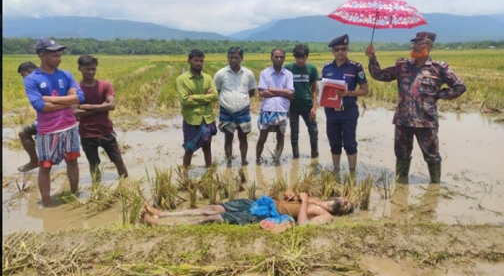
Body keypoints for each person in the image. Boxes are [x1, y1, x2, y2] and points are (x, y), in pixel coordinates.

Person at [365, 32, 466, 183]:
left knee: (432, 155)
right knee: (401, 154)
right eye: (414, 44)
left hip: (426, 121)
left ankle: (435, 186)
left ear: (429, 47)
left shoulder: (439, 68)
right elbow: (379, 75)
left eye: (420, 44)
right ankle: (401, 185)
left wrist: (438, 95)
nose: (416, 46)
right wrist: (372, 57)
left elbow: (459, 87)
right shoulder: (403, 66)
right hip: (403, 120)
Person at [23, 37, 85, 206]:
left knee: (72, 161)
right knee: (45, 166)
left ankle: (74, 194)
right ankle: (47, 202)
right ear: (42, 55)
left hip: (69, 126)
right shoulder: (31, 79)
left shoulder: (66, 74)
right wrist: (68, 100)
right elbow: (40, 106)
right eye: (55, 55)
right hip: (48, 129)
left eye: (60, 54)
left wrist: (52, 99)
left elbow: (80, 97)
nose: (59, 58)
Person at [139, 190, 353, 226]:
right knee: (215, 207)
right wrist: (293, 194)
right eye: (346, 199)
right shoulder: (317, 199)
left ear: (341, 212)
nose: (344, 201)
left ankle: (166, 226)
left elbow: (303, 225)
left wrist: (304, 201)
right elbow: (293, 199)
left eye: (347, 206)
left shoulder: (326, 216)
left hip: (270, 214)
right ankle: (164, 214)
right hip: (262, 202)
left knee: (215, 219)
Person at [72, 55, 128, 181]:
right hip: (87, 133)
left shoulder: (105, 85)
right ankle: (96, 187)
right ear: (80, 68)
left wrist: (88, 107)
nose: (91, 72)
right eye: (87, 69)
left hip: (105, 131)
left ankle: (126, 183)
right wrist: (101, 107)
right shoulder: (75, 89)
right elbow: (75, 112)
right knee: (94, 164)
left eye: (93, 69)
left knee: (118, 161)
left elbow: (111, 105)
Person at [321, 34, 368, 176]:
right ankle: (336, 171)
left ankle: (352, 172)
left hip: (349, 111)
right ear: (332, 52)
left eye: (343, 49)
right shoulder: (327, 68)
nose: (340, 52)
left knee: (350, 143)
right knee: (334, 142)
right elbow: (321, 88)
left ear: (347, 49)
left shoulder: (356, 67)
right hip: (331, 111)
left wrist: (349, 93)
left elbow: (365, 90)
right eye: (337, 49)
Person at [213, 47, 256, 167]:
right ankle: (229, 163)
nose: (233, 60)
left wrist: (242, 100)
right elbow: (217, 90)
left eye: (236, 57)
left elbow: (251, 91)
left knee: (243, 137)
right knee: (228, 138)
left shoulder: (248, 74)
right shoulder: (220, 74)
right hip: (226, 111)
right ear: (227, 58)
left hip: (243, 111)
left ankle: (243, 161)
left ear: (242, 58)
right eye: (230, 57)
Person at [176, 49, 218, 169]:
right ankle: (184, 176)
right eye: (196, 60)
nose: (199, 63)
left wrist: (194, 96)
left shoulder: (208, 78)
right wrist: (206, 97)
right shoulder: (181, 79)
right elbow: (184, 100)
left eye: (201, 61)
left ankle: (209, 172)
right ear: (189, 61)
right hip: (192, 119)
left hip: (207, 119)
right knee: (189, 149)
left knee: (207, 148)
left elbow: (215, 96)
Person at [256, 48, 294, 164]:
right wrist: (283, 92)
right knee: (262, 137)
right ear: (271, 57)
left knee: (280, 136)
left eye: (281, 57)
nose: (278, 59)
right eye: (276, 57)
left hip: (282, 110)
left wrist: (271, 89)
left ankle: (277, 160)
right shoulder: (264, 73)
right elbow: (262, 93)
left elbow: (290, 92)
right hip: (268, 109)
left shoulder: (288, 74)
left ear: (284, 58)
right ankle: (257, 159)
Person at [284, 44, 319, 159]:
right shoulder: (288, 68)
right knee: (294, 132)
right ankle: (296, 157)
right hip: (293, 106)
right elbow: (282, 85)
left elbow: (314, 89)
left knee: (313, 132)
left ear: (307, 57)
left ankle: (315, 156)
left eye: (303, 57)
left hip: (307, 105)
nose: (300, 60)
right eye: (298, 58)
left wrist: (314, 106)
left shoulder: (312, 69)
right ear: (295, 57)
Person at [17, 62, 39, 172]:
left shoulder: (39, 81)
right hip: (43, 117)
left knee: (23, 134)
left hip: (52, 118)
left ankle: (35, 162)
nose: (23, 79)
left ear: (30, 71)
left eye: (23, 75)